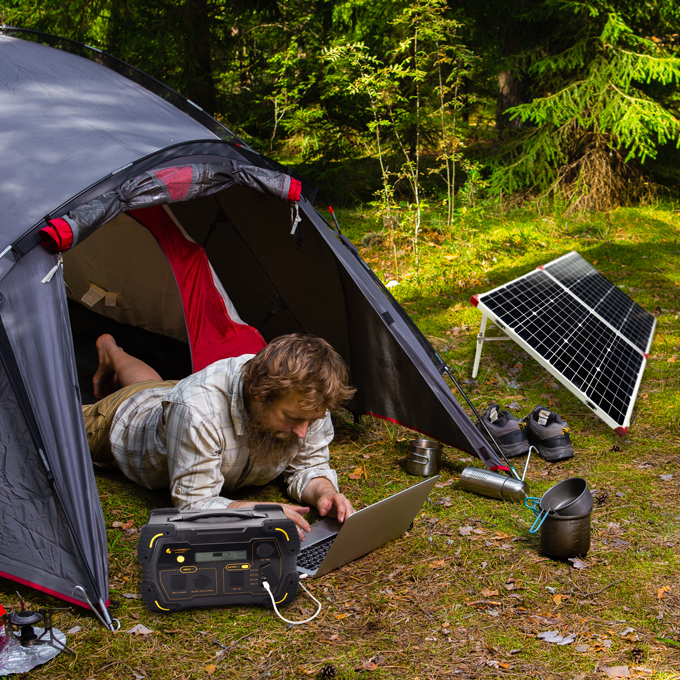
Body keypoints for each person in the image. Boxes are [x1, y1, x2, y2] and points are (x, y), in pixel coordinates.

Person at [82, 333, 356, 539]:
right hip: (123, 421)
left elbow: (308, 466)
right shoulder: (196, 412)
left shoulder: (306, 399)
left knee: (154, 386)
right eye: (293, 419)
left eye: (312, 420)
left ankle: (111, 351)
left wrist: (325, 493)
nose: (303, 431)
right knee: (63, 424)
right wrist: (258, 513)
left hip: (170, 399)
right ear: (259, 396)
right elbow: (194, 504)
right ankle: (108, 355)